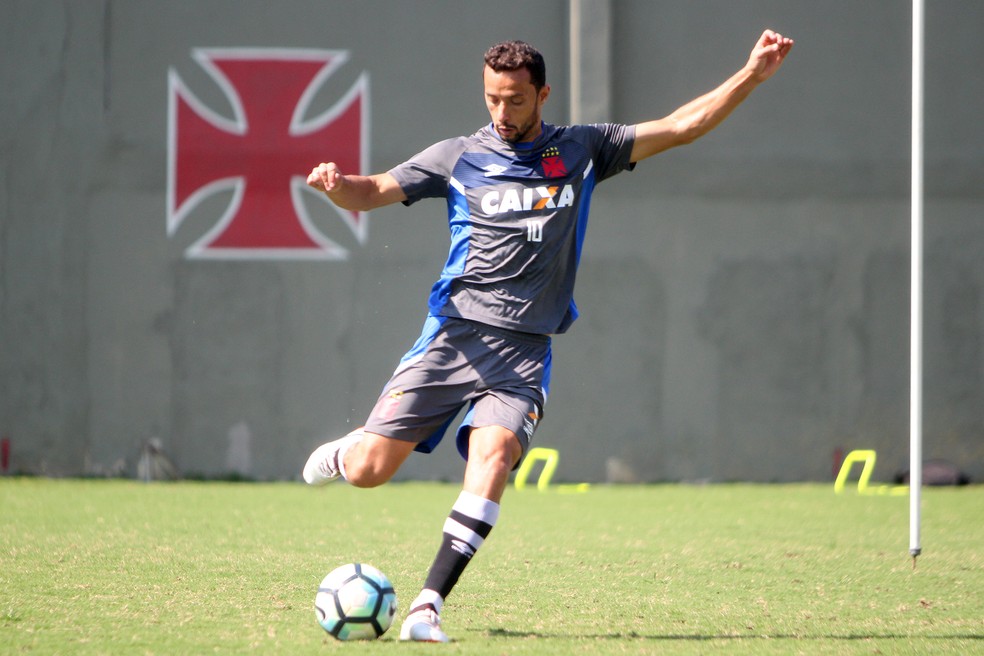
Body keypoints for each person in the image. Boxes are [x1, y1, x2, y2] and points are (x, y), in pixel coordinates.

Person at [303, 29, 794, 642]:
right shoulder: (459, 156)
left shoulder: (583, 150)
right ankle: (350, 451)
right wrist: (335, 186)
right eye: (491, 99)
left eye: (514, 100)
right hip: (453, 336)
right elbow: (372, 190)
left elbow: (682, 125)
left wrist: (750, 74)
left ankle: (428, 605)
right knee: (371, 471)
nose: (501, 113)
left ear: (543, 94)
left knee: (495, 457)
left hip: (525, 350)